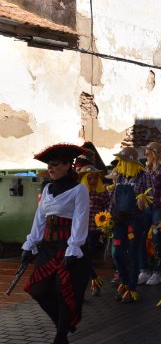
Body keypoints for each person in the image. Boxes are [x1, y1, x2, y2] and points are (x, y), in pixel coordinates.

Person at [21, 143, 89, 344]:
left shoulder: (79, 189)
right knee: (37, 289)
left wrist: (73, 248)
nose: (50, 168)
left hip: (68, 247)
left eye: (55, 164)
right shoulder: (48, 187)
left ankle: (61, 335)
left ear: (68, 165)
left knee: (62, 290)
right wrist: (30, 244)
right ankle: (64, 324)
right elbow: (39, 219)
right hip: (48, 247)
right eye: (49, 165)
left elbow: (80, 219)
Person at [110, 147, 152, 303]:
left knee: (133, 253)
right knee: (117, 253)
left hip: (135, 220)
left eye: (123, 161)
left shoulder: (144, 176)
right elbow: (113, 199)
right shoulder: (119, 177)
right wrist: (108, 217)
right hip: (119, 220)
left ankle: (131, 288)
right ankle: (124, 282)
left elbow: (151, 197)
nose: (120, 163)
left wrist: (143, 201)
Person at [138, 142, 161, 286]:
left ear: (155, 154)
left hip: (159, 209)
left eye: (148, 153)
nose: (146, 156)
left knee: (156, 238)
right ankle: (144, 269)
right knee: (141, 236)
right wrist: (140, 197)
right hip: (147, 208)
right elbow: (142, 188)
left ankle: (157, 272)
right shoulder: (146, 168)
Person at [78, 165, 110, 297]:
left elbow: (108, 209)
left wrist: (105, 227)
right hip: (80, 230)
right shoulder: (79, 193)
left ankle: (86, 287)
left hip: (94, 230)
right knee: (82, 259)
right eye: (89, 178)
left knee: (86, 258)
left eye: (95, 178)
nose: (92, 181)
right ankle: (93, 282)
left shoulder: (103, 193)